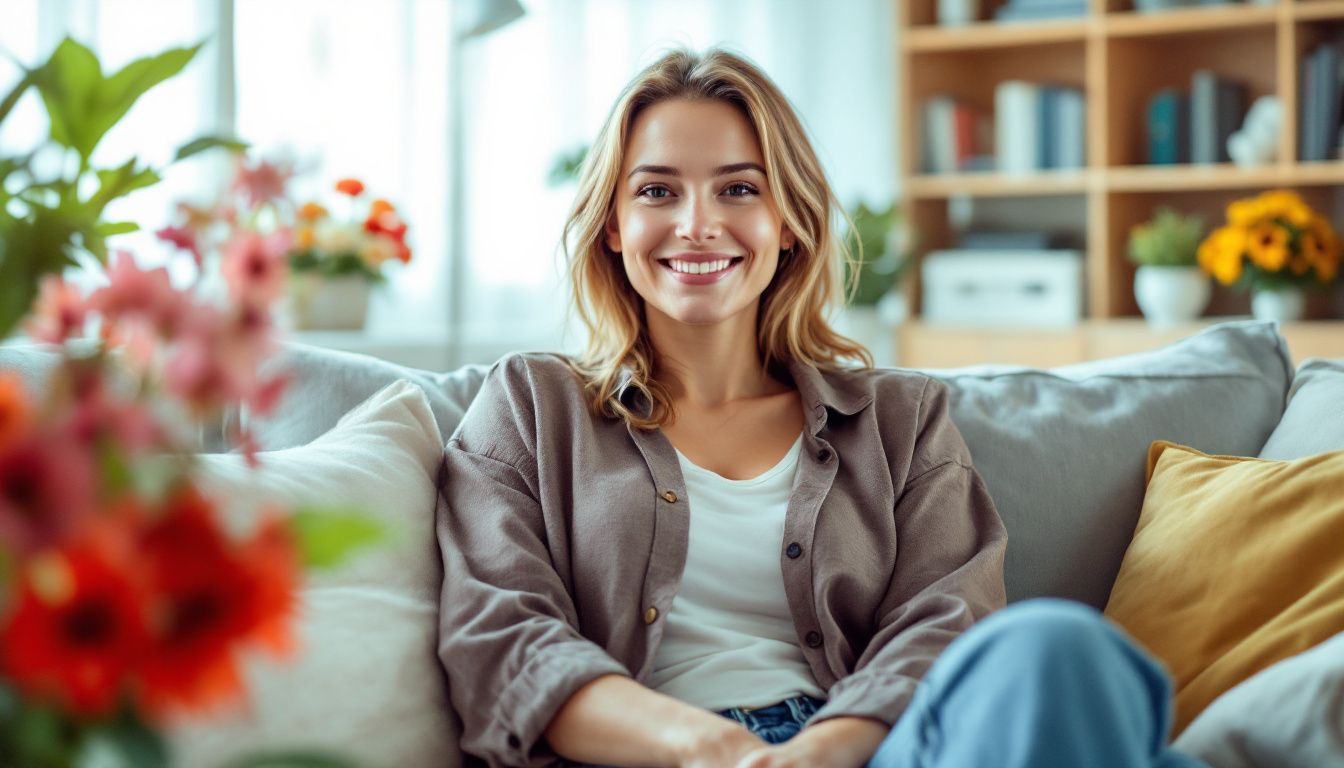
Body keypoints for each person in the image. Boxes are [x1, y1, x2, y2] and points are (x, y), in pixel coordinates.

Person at [436, 48, 1206, 768]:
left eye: (738, 188)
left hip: (867, 749)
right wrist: (724, 751)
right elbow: (508, 643)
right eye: (657, 191)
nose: (697, 223)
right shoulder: (532, 406)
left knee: (1059, 646)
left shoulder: (901, 420)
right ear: (613, 225)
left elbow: (945, 620)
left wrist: (817, 752)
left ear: (790, 222)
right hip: (657, 752)